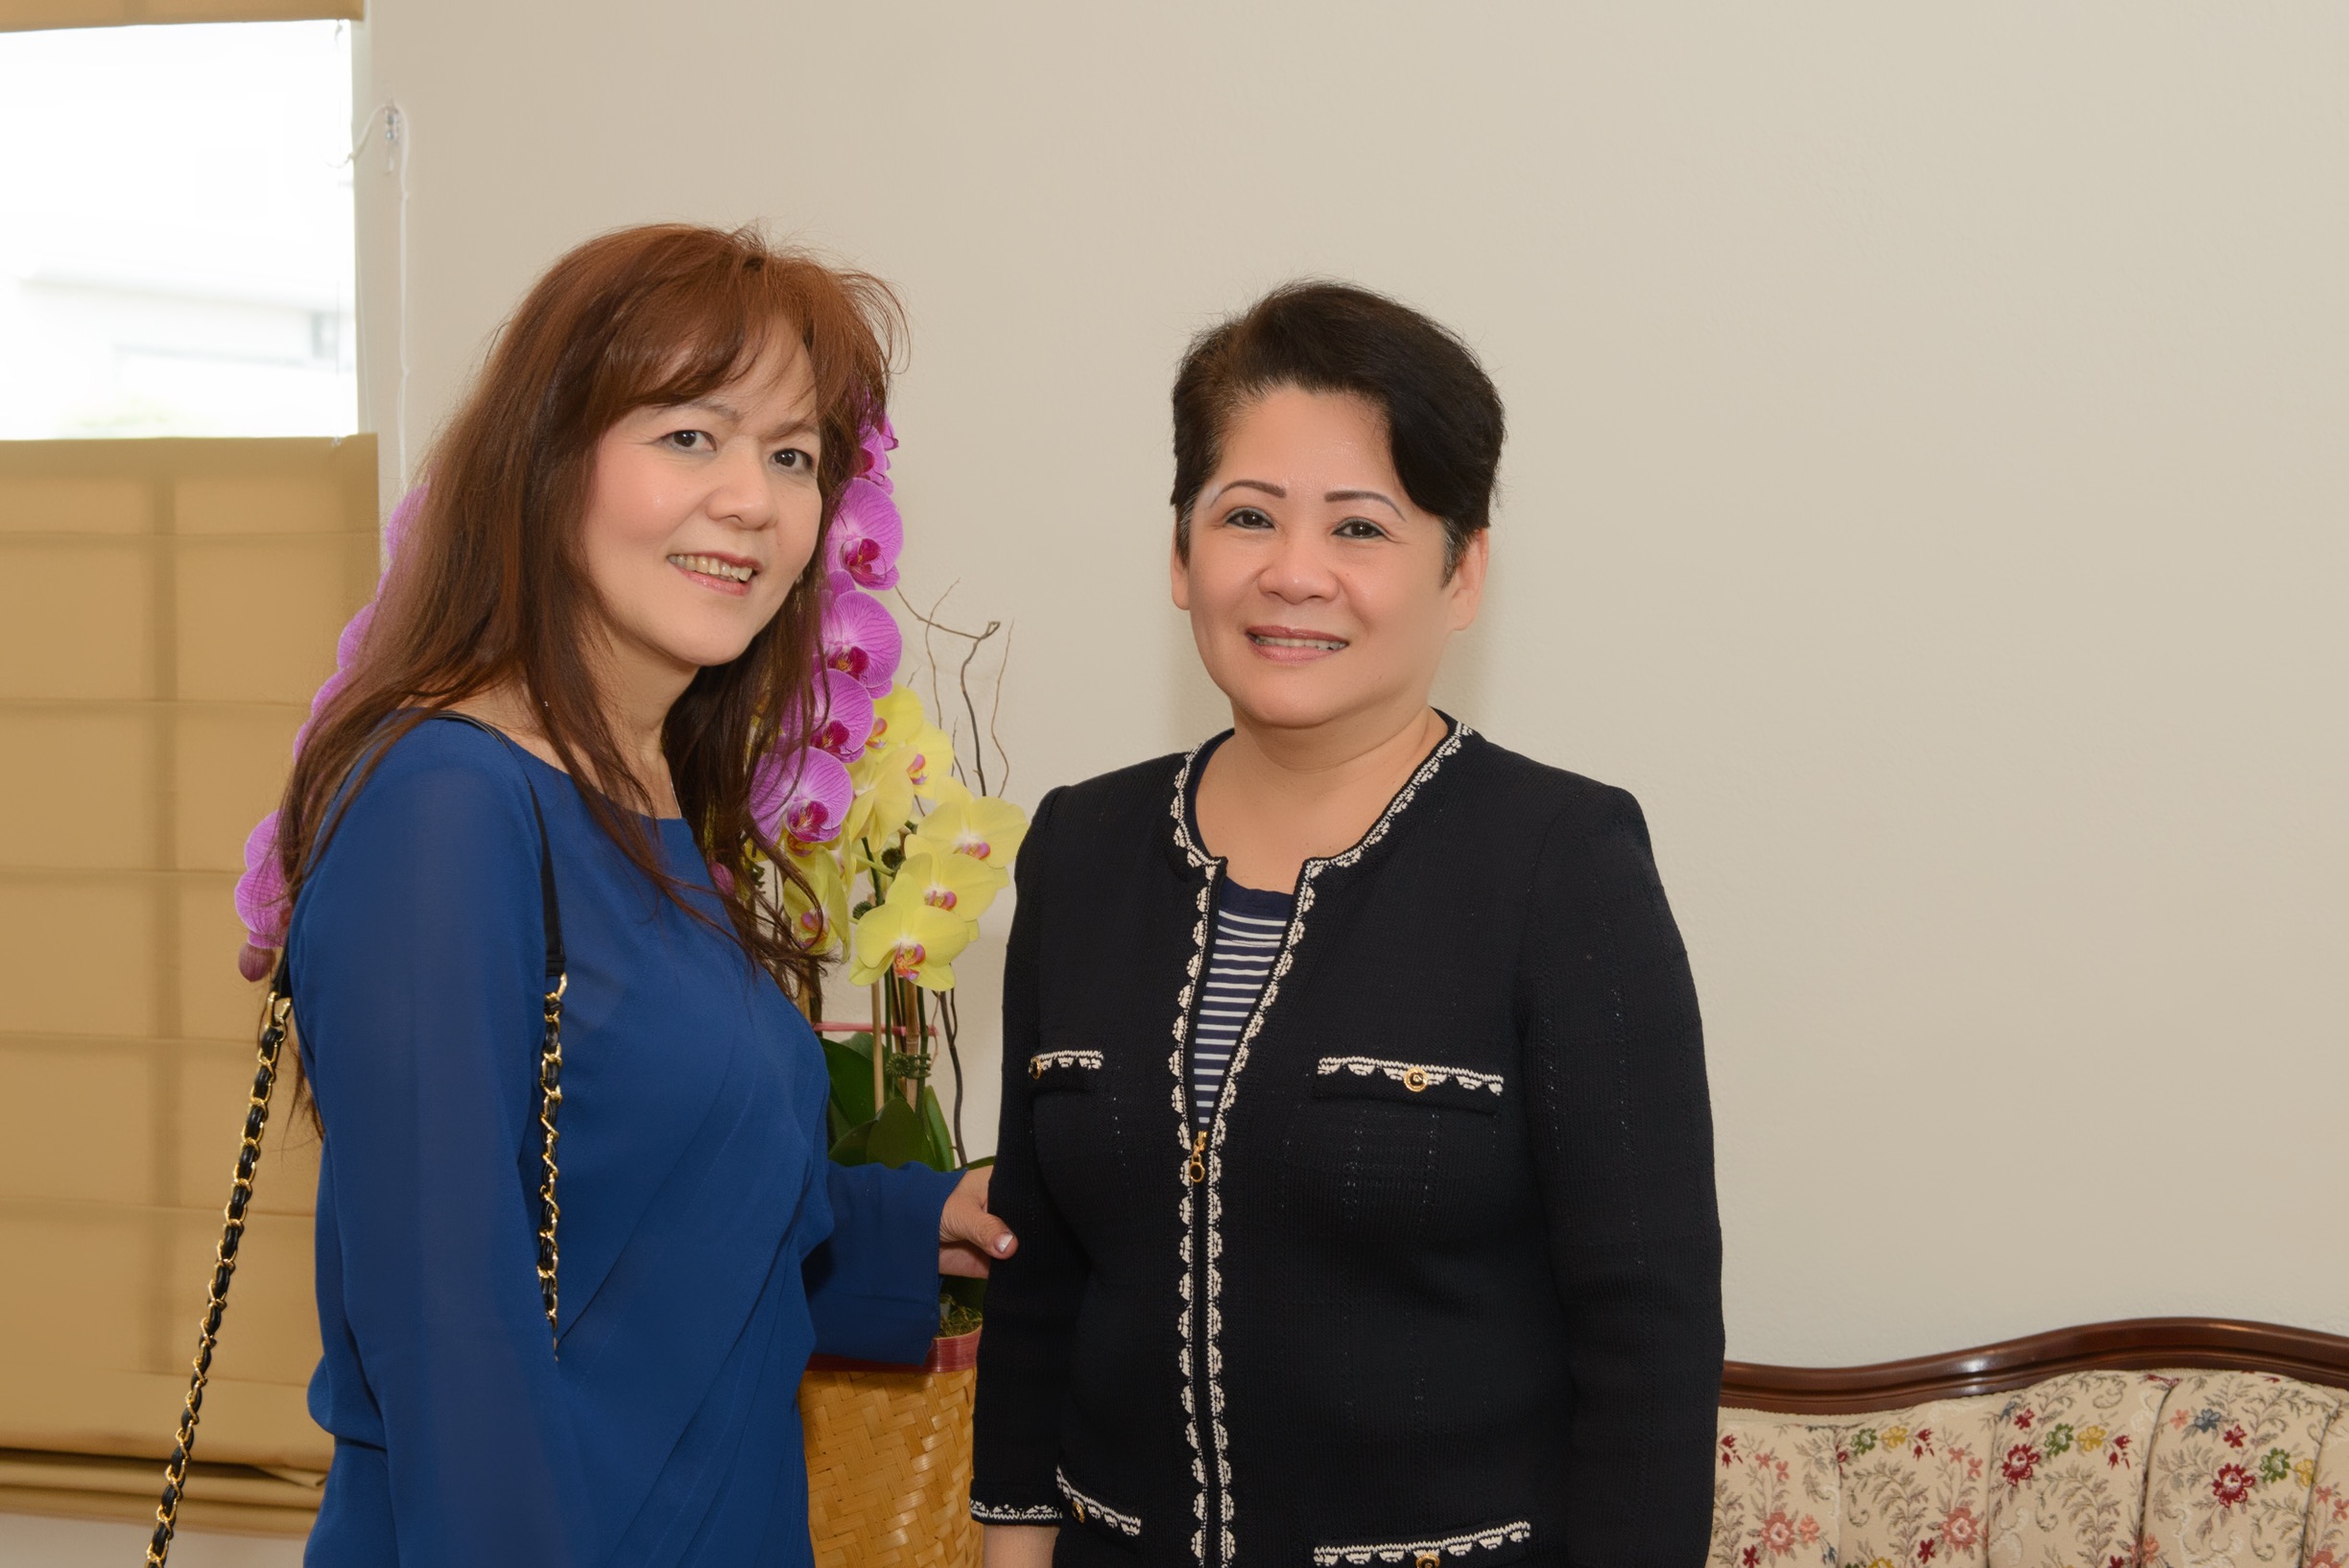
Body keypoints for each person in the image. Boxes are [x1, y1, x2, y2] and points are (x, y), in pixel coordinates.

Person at [270, 224, 1013, 1565]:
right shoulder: (445, 802)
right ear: (546, 461)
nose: (752, 500)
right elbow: (447, 1325)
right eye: (689, 436)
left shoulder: (654, 802)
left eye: (792, 456)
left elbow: (656, 1215)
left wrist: (924, 1223)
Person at [973, 283, 1722, 1568]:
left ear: (1461, 570)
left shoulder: (1562, 864)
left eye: (1360, 525)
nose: (1294, 572)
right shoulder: (1082, 847)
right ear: (1180, 553)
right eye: (1247, 515)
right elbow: (1038, 1284)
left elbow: (1646, 1338)